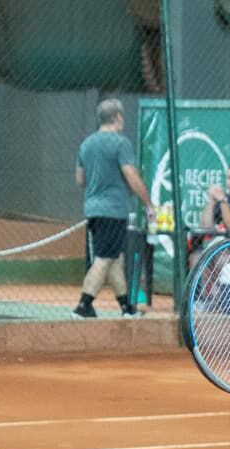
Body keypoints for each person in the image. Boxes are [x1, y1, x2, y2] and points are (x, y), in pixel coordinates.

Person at [72, 98, 154, 318]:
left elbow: (80, 179)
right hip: (114, 210)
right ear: (118, 117)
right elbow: (131, 175)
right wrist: (148, 203)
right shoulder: (121, 143)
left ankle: (127, 307)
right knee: (104, 258)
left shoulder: (86, 144)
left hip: (93, 209)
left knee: (115, 258)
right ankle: (83, 305)